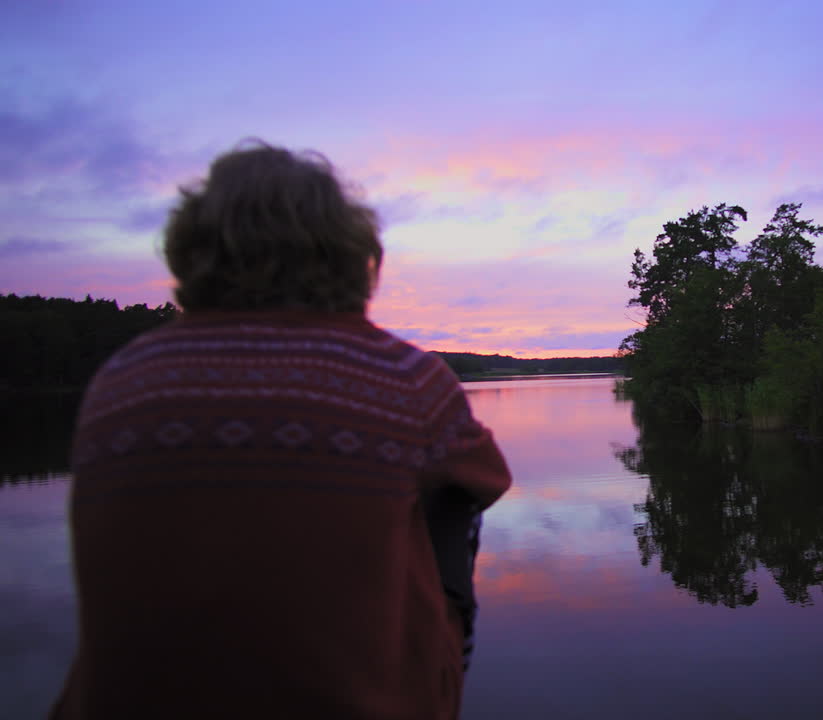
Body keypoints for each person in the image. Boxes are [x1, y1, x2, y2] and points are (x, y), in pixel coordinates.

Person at [50, 141, 511, 719]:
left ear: (192, 249)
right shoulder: (406, 379)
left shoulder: (121, 379)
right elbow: (487, 478)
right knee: (451, 500)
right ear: (349, 251)